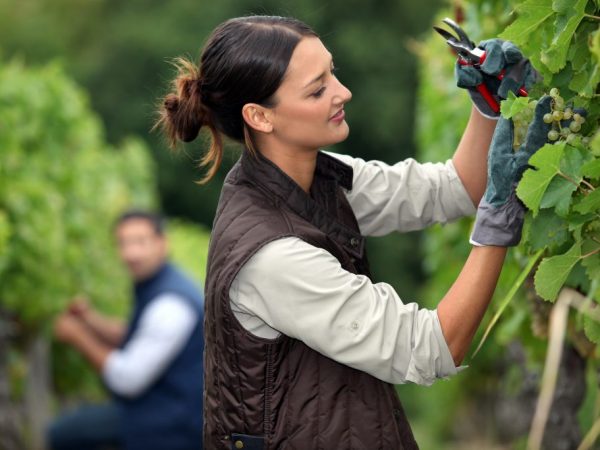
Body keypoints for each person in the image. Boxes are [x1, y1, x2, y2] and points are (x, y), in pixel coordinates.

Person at [156, 16, 551, 449]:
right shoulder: (272, 258)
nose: (342, 92)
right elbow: (431, 347)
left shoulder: (316, 180)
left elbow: (453, 188)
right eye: (317, 88)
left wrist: (487, 104)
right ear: (260, 117)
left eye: (332, 72)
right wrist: (498, 220)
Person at [47, 210, 204, 450]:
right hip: (164, 411)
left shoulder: (171, 305)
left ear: (162, 244)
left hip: (171, 426)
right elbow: (139, 335)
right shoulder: (162, 284)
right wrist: (91, 320)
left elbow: (127, 379)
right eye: (123, 243)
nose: (131, 253)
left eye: (140, 242)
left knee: (62, 434)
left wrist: (78, 336)